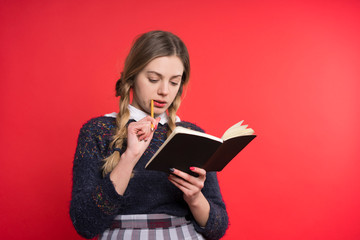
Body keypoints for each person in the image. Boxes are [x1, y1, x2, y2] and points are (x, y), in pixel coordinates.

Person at [70, 30, 228, 240]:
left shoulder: (191, 135)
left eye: (174, 82)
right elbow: (85, 223)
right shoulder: (97, 131)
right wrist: (129, 158)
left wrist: (195, 197)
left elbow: (218, 229)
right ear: (132, 76)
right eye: (154, 79)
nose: (164, 91)